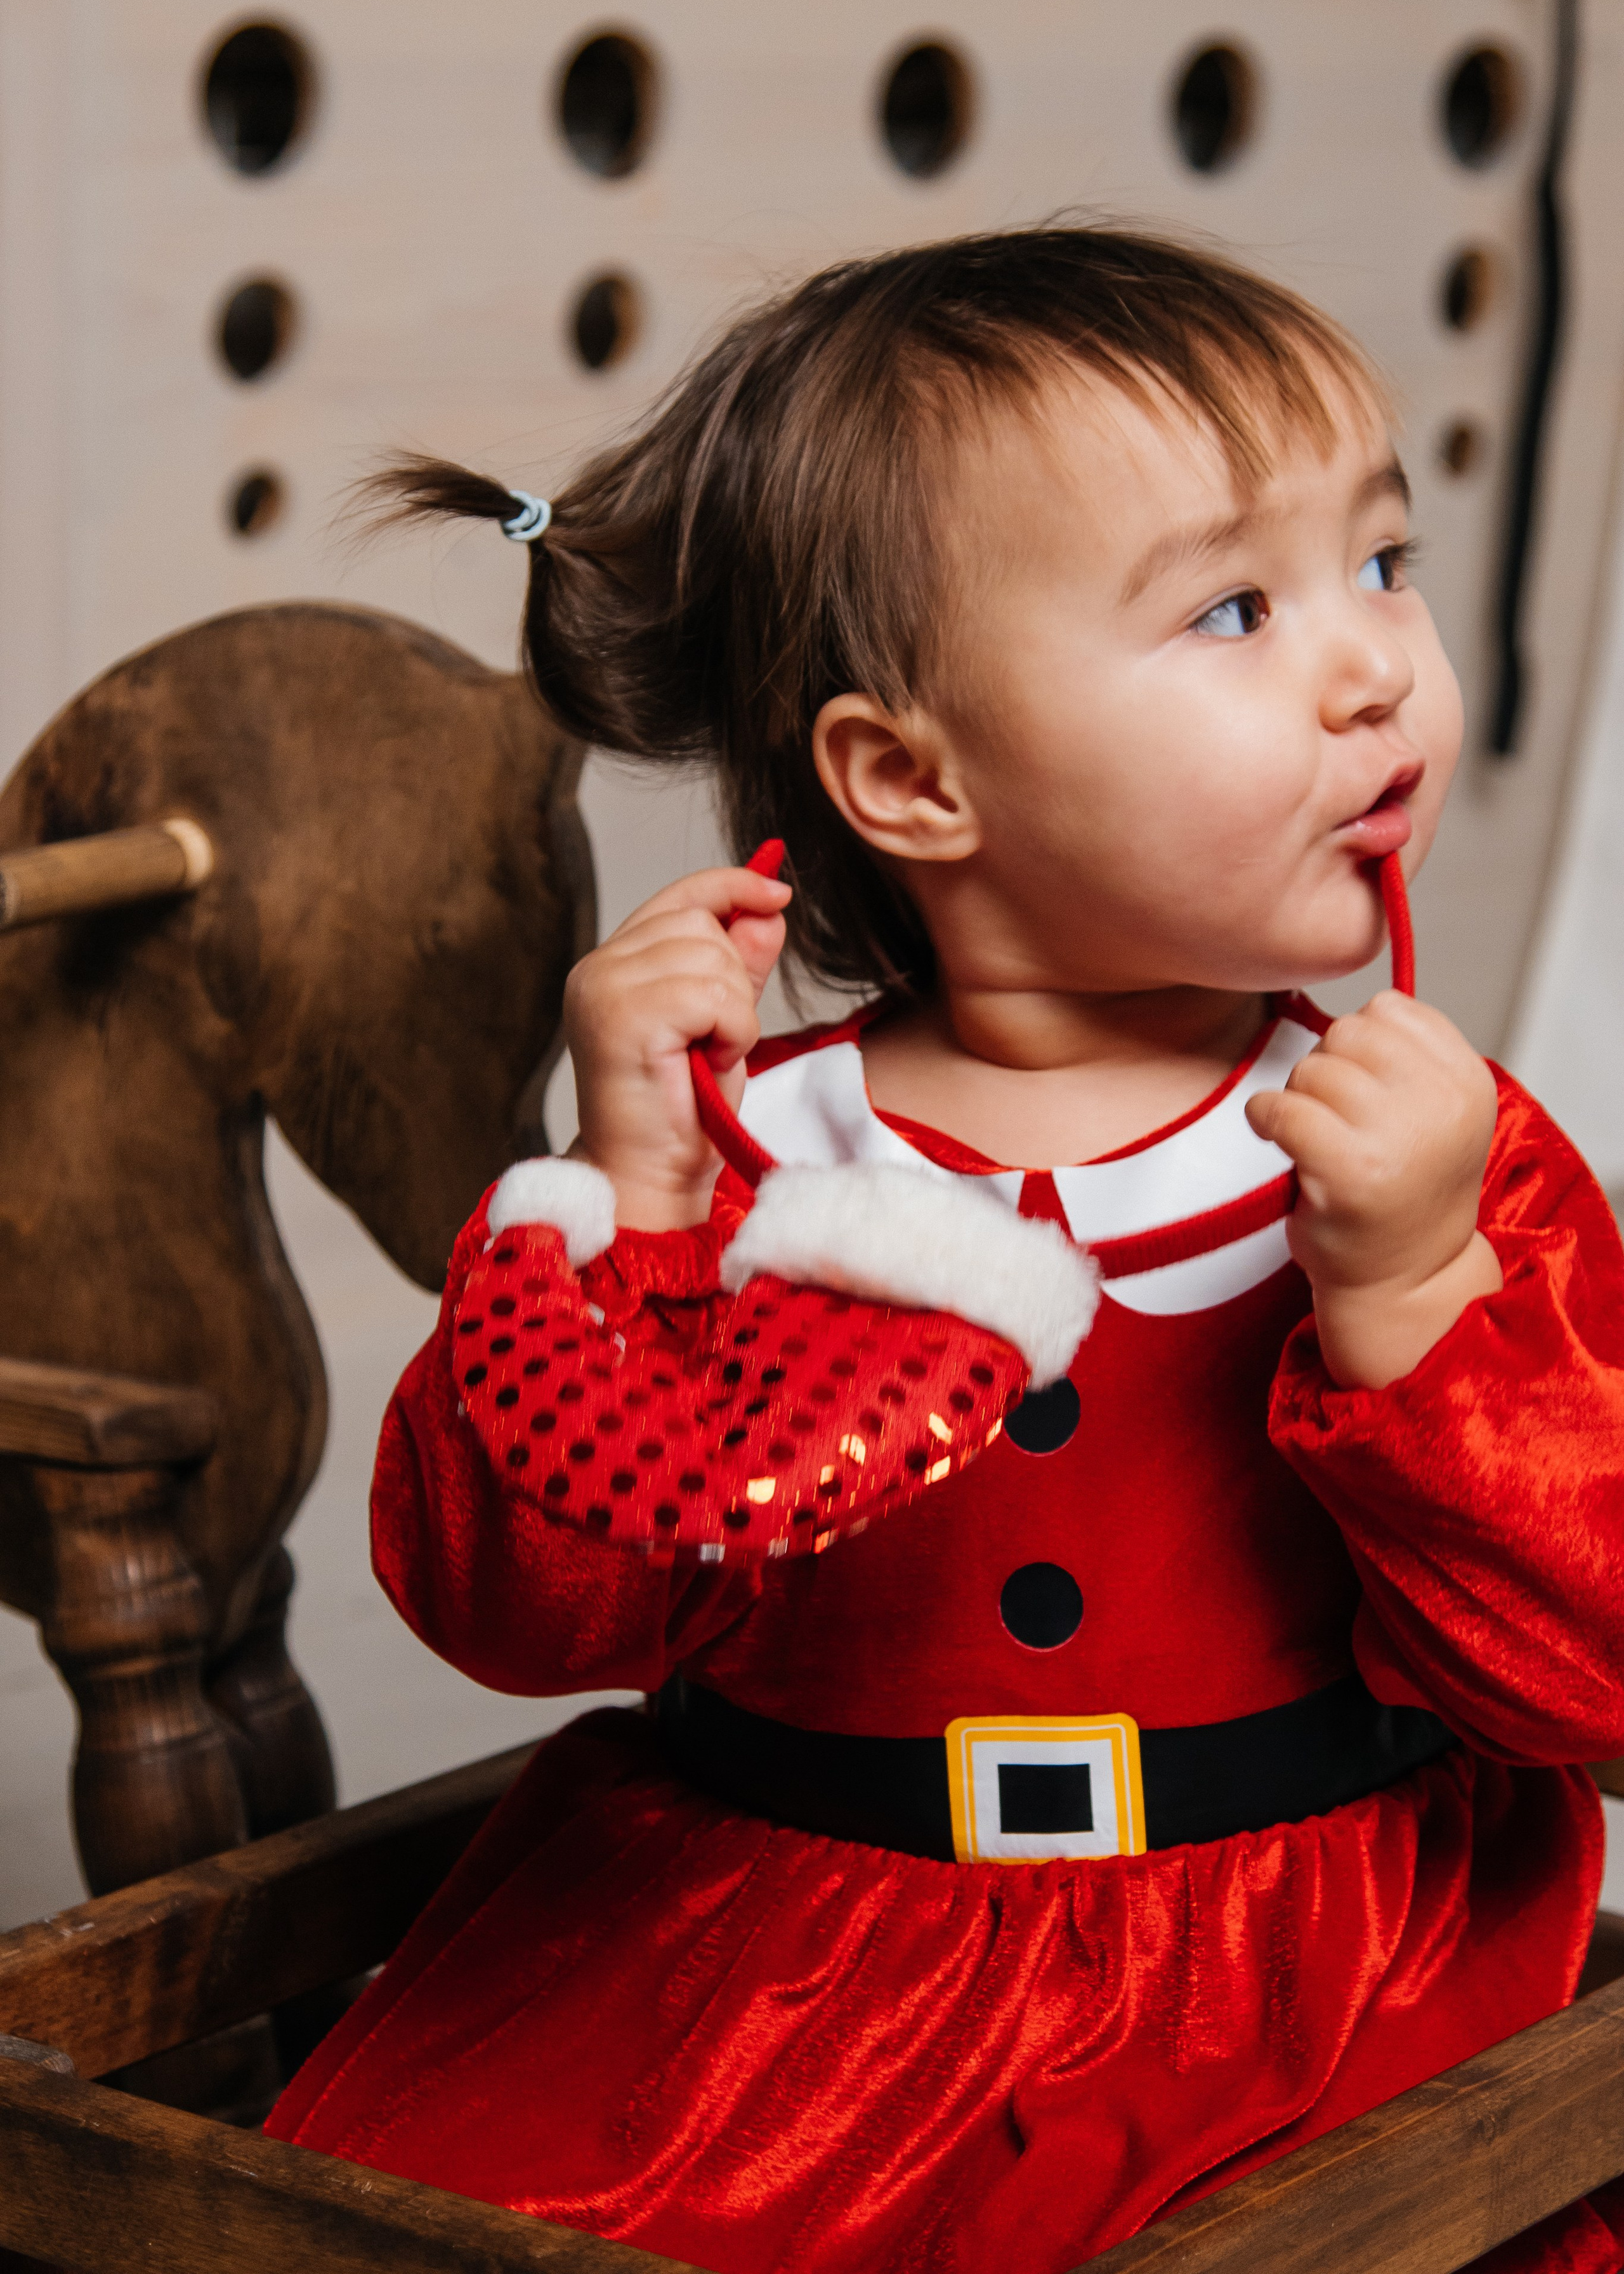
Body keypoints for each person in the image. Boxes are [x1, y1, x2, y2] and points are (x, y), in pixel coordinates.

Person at [268, 229, 1624, 2274]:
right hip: (781, 1992)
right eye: (1240, 607)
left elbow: (1597, 1675)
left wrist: (1421, 1308)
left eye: (1386, 563)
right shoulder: (751, 1162)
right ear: (910, 777)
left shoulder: (1431, 1153)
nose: (1375, 666)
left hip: (1290, 1987)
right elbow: (523, 1614)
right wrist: (618, 1200)